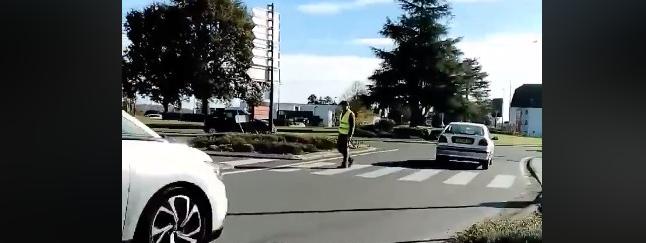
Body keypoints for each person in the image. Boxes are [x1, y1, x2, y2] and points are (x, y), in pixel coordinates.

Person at [337, 101, 355, 168]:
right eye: (342, 106)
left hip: (346, 134)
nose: (342, 107)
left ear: (347, 106)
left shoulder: (350, 114)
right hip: (341, 133)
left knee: (345, 149)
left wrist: (349, 136)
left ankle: (345, 164)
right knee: (339, 148)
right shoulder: (342, 113)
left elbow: (352, 126)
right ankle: (350, 159)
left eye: (344, 106)